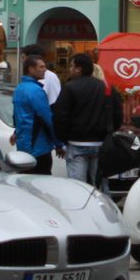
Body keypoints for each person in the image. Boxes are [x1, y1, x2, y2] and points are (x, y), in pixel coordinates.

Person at [53, 53, 114, 184]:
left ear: (78, 69)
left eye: (71, 66)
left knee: (78, 186)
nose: (69, 69)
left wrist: (64, 138)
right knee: (98, 185)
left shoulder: (69, 87)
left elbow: (60, 116)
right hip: (100, 143)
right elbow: (115, 114)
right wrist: (108, 133)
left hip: (76, 143)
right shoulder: (104, 87)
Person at [11, 54, 62, 175]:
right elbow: (47, 119)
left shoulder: (19, 88)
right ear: (31, 69)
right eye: (41, 67)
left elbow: (16, 116)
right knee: (41, 184)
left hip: (23, 144)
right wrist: (58, 143)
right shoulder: (36, 91)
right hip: (38, 146)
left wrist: (16, 132)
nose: (44, 69)